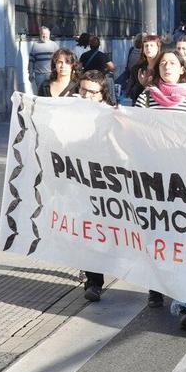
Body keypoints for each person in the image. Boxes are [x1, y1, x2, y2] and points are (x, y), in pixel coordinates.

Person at [136, 48, 186, 330]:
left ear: (182, 69)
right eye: (163, 63)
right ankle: (157, 283)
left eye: (173, 63)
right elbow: (136, 130)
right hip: (155, 175)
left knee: (185, 236)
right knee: (156, 233)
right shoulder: (147, 97)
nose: (167, 67)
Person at [75, 72, 113, 301]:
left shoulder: (111, 116)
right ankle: (93, 282)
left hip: (107, 182)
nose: (86, 96)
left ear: (102, 95)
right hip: (80, 180)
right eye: (83, 91)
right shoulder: (70, 114)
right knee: (88, 231)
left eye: (92, 92)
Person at [122, 32, 163, 103]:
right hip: (139, 107)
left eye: (152, 45)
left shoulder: (163, 67)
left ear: (158, 48)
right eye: (146, 46)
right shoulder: (137, 69)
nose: (148, 48)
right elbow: (130, 93)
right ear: (143, 49)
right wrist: (141, 85)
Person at [26, 25, 60, 91]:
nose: (44, 36)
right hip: (39, 75)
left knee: (51, 92)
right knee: (40, 92)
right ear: (40, 34)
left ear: (49, 34)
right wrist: (30, 73)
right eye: (43, 34)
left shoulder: (54, 45)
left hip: (51, 74)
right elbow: (31, 61)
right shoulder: (35, 45)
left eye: (46, 34)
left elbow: (59, 60)